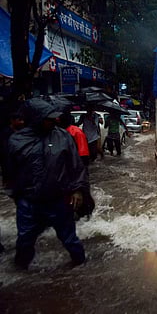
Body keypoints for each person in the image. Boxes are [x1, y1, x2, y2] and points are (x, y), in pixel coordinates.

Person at [4, 98, 89, 269]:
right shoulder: (16, 141)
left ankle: (82, 267)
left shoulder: (62, 136)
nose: (55, 120)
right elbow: (9, 173)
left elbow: (76, 166)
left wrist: (78, 190)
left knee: (70, 240)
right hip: (29, 203)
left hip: (59, 201)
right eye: (49, 118)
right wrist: (17, 197)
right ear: (36, 118)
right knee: (24, 241)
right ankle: (20, 273)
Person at [0, 110, 24, 254]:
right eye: (19, 120)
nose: (22, 122)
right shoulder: (6, 136)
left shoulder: (22, 134)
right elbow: (6, 158)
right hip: (12, 177)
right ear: (13, 120)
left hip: (21, 177)